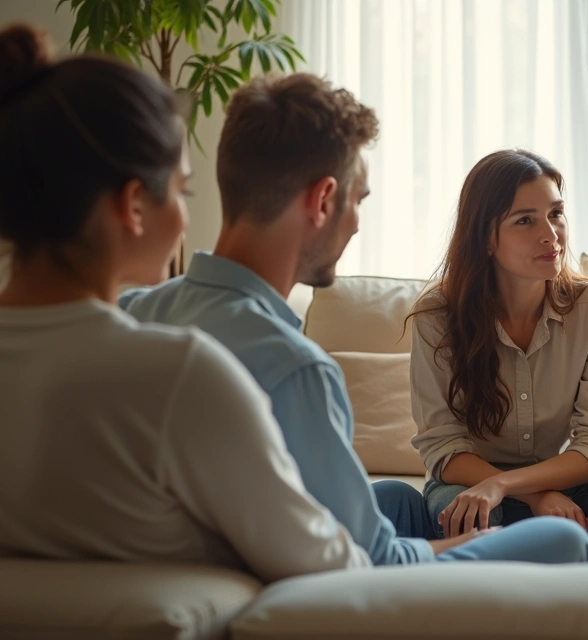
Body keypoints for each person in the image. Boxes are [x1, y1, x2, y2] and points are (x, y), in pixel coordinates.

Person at [120, 75, 588, 566]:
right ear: (323, 200)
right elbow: (375, 561)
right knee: (565, 542)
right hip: (333, 585)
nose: (357, 222)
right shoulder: (295, 368)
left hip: (190, 555)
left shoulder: (133, 314)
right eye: (359, 200)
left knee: (388, 497)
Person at [0, 24, 370, 581]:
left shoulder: (127, 333)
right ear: (134, 206)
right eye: (181, 190)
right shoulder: (181, 372)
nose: (183, 219)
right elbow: (340, 568)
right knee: (553, 539)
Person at [410, 149, 588, 561]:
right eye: (525, 220)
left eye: (556, 214)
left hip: (554, 479)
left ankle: (587, 610)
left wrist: (518, 487)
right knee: (464, 511)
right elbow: (442, 447)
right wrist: (535, 495)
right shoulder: (436, 318)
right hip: (470, 484)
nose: (551, 234)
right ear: (485, 237)